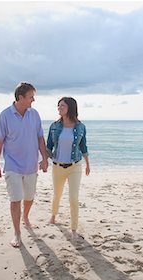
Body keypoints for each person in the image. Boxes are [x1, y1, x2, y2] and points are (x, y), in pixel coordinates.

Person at [0, 82, 48, 248]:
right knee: (15, 199)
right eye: (31, 97)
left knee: (29, 197)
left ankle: (25, 217)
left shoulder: (35, 114)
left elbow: (40, 138)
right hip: (12, 165)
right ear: (20, 98)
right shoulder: (5, 116)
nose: (33, 100)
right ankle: (17, 233)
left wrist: (44, 158)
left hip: (31, 164)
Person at [46, 97, 90, 240]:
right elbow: (48, 147)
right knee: (57, 194)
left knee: (73, 198)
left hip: (75, 166)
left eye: (62, 106)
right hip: (58, 166)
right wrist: (43, 160)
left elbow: (83, 147)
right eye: (58, 106)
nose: (59, 108)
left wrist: (88, 164)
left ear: (70, 107)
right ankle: (53, 216)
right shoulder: (54, 126)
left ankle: (74, 229)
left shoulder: (80, 127)